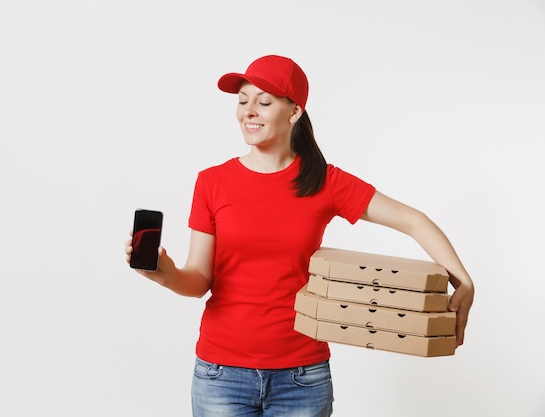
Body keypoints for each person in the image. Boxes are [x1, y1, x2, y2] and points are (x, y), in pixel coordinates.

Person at [125, 54, 475, 417]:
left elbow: (413, 221)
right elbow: (199, 280)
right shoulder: (213, 182)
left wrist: (464, 280)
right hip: (221, 375)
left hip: (301, 377)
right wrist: (163, 272)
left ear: (294, 112)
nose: (249, 111)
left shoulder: (324, 180)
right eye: (243, 101)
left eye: (264, 102)